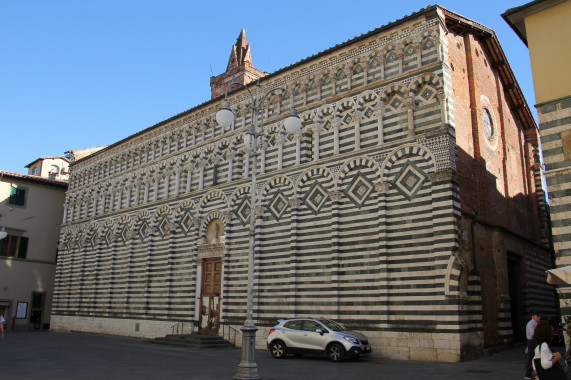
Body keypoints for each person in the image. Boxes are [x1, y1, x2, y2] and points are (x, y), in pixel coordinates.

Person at [525, 312, 541, 379]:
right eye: (538, 316)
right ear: (534, 317)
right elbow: (532, 334)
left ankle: (535, 372)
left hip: (534, 342)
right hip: (532, 342)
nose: (539, 318)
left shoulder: (535, 323)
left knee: (535, 356)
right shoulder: (531, 324)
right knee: (531, 357)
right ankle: (528, 374)